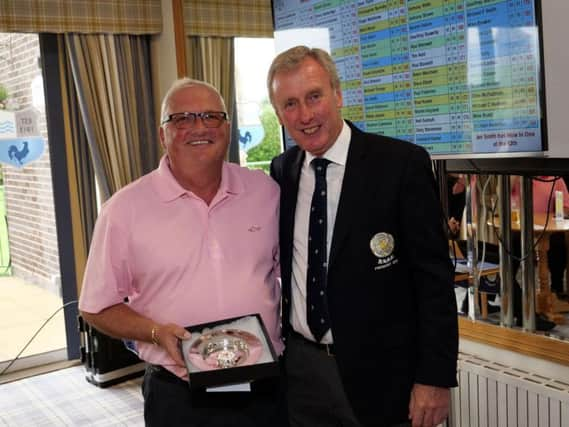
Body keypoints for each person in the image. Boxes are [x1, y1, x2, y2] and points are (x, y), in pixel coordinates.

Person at [268, 46, 458, 427]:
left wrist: (434, 377)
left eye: (314, 97)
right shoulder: (281, 171)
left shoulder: (400, 164)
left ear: (338, 95)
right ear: (278, 114)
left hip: (385, 378)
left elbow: (434, 281)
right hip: (302, 373)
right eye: (289, 104)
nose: (304, 115)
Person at [79, 78, 286, 427]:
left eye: (211, 116)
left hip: (266, 388)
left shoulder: (265, 191)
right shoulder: (124, 210)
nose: (199, 127)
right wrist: (156, 333)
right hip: (179, 395)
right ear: (163, 135)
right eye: (182, 119)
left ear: (227, 127)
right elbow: (96, 307)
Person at [510, 176, 569, 329]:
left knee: (557, 245)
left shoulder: (556, 180)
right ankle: (520, 294)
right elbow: (506, 195)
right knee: (514, 247)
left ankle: (555, 288)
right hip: (521, 228)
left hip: (549, 227)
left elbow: (567, 206)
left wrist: (560, 210)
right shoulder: (521, 178)